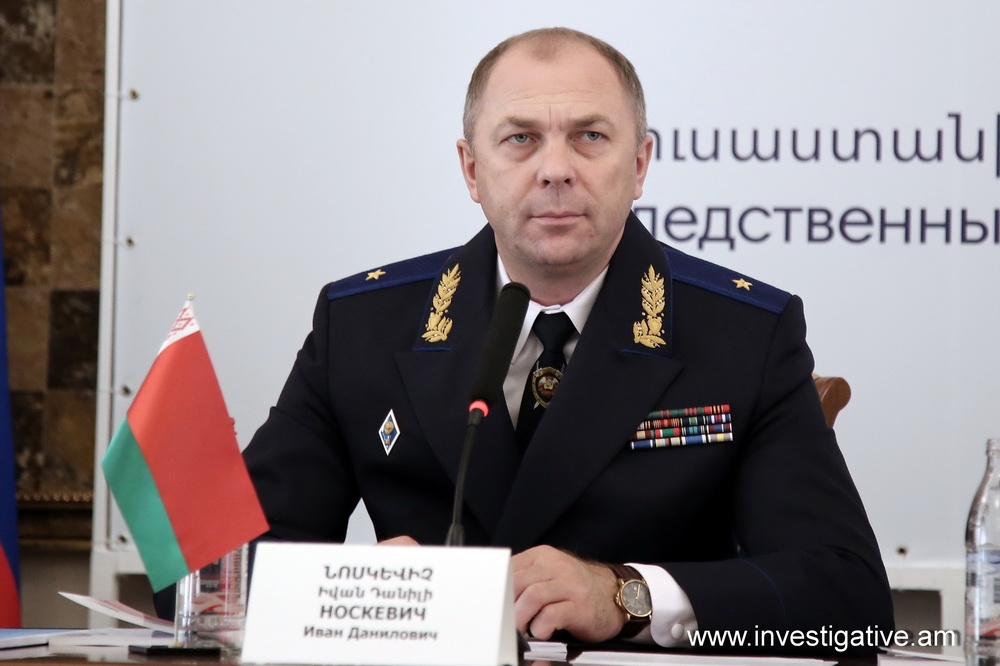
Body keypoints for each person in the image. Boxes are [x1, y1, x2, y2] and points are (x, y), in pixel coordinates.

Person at [242, 27, 893, 653]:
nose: (555, 169)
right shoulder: (361, 324)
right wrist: (357, 591)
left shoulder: (745, 335)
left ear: (639, 164)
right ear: (472, 170)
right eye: (521, 139)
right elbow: (225, 569)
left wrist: (628, 595)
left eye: (590, 136)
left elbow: (850, 598)